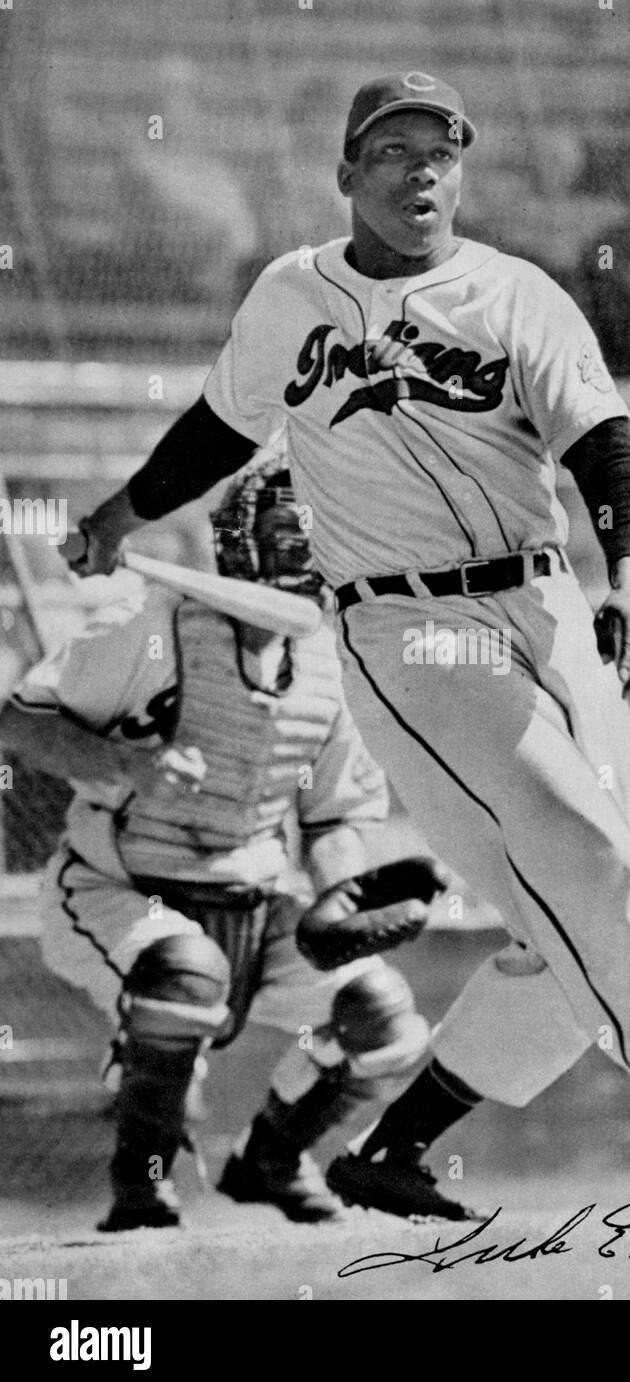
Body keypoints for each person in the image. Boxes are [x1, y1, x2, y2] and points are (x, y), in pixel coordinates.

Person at [67, 72, 630, 1221]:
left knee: (580, 914)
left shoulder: (518, 296)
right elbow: (216, 428)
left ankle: (391, 1150)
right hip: (408, 630)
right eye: (393, 150)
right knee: (587, 860)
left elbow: (607, 454)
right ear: (347, 173)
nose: (422, 170)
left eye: (441, 151)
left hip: (548, 612)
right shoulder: (292, 294)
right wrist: (117, 517)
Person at [0, 454, 442, 1231]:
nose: (307, 548)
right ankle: (141, 1189)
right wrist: (125, 762)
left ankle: (269, 1157)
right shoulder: (151, 622)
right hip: (117, 887)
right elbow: (16, 720)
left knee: (387, 1019)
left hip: (254, 900)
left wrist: (338, 904)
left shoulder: (336, 665)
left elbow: (336, 817)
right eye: (288, 532)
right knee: (184, 978)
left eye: (323, 532)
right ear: (241, 541)